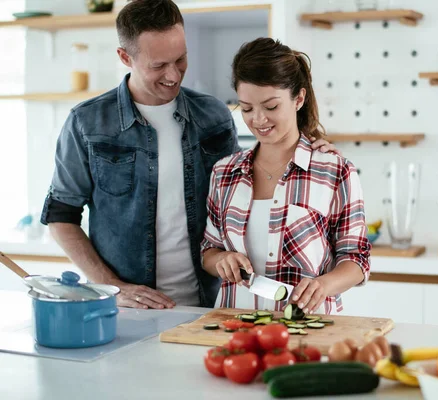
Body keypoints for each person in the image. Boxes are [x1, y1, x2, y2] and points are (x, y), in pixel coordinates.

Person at [39, 0, 336, 310]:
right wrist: (113, 287)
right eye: (158, 65)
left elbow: (243, 185)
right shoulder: (87, 123)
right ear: (125, 57)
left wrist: (306, 149)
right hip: (126, 308)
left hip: (207, 304)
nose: (173, 74)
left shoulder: (213, 117)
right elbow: (61, 216)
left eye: (180, 59)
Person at [201, 37, 371, 316]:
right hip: (234, 326)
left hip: (309, 326)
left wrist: (324, 285)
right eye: (246, 108)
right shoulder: (224, 172)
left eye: (270, 107)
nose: (258, 119)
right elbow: (209, 249)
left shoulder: (335, 170)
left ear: (298, 99)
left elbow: (357, 259)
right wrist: (222, 259)